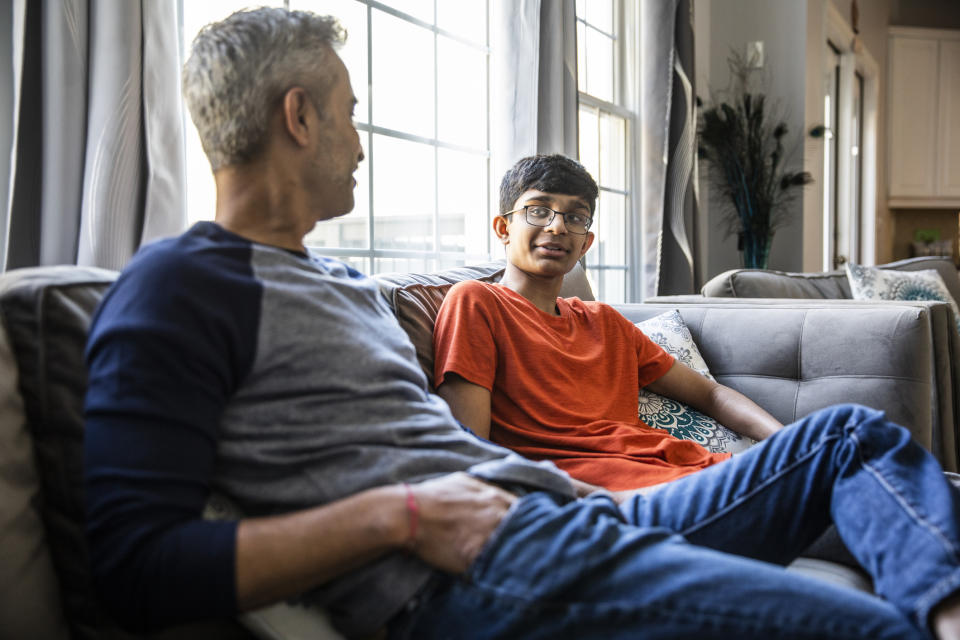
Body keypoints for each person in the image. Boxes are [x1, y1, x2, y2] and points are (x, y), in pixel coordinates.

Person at [83, 7, 960, 640]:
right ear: (299, 118)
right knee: (864, 628)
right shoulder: (178, 286)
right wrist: (403, 517)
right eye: (348, 114)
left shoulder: (337, 285)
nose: (359, 141)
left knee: (848, 437)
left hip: (568, 518)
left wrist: (559, 491)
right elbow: (132, 568)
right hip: (480, 571)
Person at [433, 153, 783, 492]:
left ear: (585, 244)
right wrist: (613, 503)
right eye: (538, 211)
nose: (557, 226)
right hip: (633, 498)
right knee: (833, 438)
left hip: (697, 473)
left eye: (575, 217)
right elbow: (474, 457)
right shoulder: (476, 302)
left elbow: (711, 394)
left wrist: (784, 442)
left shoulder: (604, 322)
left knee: (831, 439)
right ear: (503, 227)